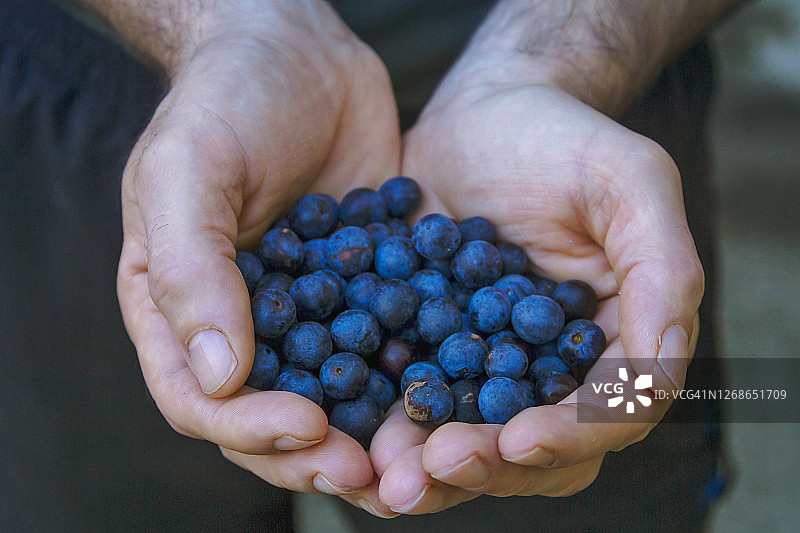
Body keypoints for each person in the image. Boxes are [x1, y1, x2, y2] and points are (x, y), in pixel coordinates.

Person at [2, 0, 744, 530]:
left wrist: (555, 58)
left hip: (580, 110)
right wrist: (223, 24)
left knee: (576, 443)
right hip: (158, 104)